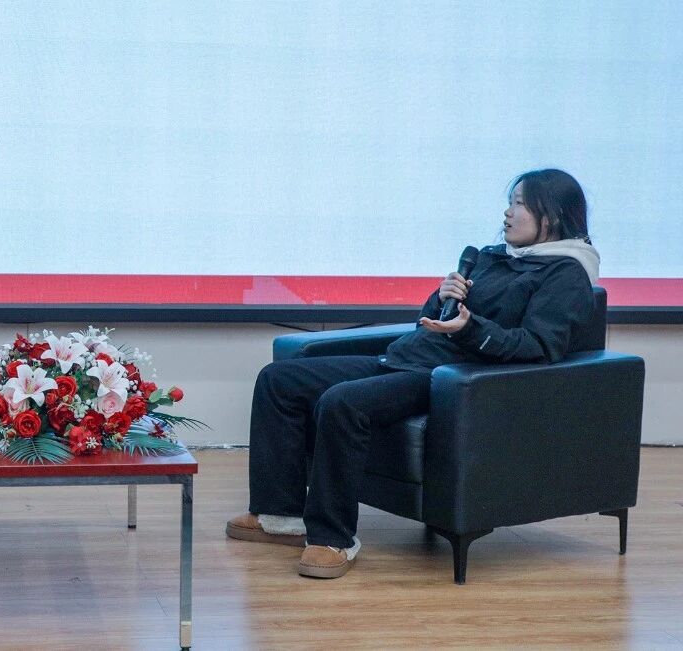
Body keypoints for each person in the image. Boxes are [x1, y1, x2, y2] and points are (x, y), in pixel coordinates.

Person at [225, 168, 599, 579]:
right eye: (510, 202)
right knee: (279, 380)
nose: (508, 212)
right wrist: (441, 298)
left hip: (452, 379)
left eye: (520, 204)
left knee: (343, 402)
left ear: (552, 215)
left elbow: (538, 345)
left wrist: (470, 328)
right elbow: (431, 322)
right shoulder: (492, 257)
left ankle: (334, 539)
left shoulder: (566, 274)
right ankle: (280, 516)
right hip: (406, 357)